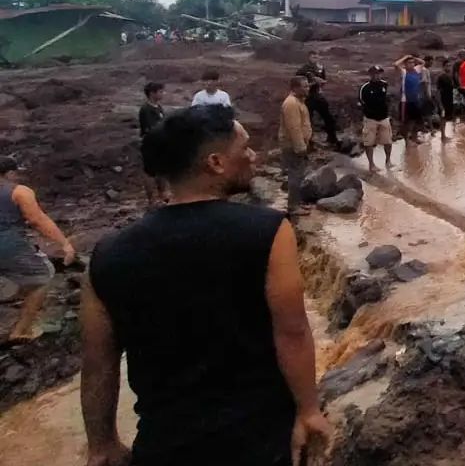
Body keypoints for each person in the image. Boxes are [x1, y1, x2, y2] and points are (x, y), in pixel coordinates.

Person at [83, 105, 333, 466]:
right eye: (244, 148)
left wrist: (101, 443)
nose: (253, 156)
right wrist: (308, 410)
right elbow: (291, 332)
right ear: (215, 163)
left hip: (164, 442)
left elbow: (97, 363)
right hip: (259, 436)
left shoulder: (107, 254)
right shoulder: (268, 231)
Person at [0, 156, 76, 343]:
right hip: (7, 244)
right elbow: (37, 220)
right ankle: (21, 330)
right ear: (10, 173)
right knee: (42, 278)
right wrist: (64, 243)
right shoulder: (19, 192)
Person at [279, 76, 312, 218]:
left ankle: (297, 202)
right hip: (293, 146)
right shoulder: (291, 104)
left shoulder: (298, 101)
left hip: (297, 144)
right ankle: (293, 206)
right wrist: (300, 147)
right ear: (295, 88)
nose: (307, 88)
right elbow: (294, 128)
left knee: (299, 174)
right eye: (304, 86)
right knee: (295, 175)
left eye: (307, 86)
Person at [296, 51, 339, 147]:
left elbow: (324, 81)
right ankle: (308, 142)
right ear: (309, 57)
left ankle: (332, 139)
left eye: (316, 57)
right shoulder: (303, 70)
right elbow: (298, 84)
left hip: (318, 95)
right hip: (308, 97)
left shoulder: (320, 68)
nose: (315, 59)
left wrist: (321, 83)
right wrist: (313, 83)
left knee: (328, 117)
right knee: (308, 120)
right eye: (313, 57)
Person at [138, 82, 169, 205]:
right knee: (150, 172)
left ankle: (163, 195)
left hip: (160, 143)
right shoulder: (146, 109)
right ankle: (151, 199)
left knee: (161, 170)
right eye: (160, 91)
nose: (163, 94)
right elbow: (150, 128)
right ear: (152, 93)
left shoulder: (158, 107)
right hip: (150, 144)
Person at [359, 66, 393, 173]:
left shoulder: (385, 84)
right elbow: (361, 102)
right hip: (370, 119)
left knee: (388, 141)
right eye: (374, 73)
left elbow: (388, 99)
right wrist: (368, 113)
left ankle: (388, 161)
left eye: (379, 73)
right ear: (370, 74)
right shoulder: (365, 87)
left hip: (384, 117)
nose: (377, 75)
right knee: (369, 142)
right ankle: (371, 164)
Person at [394, 55, 426, 143]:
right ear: (405, 64)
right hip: (405, 101)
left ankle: (414, 138)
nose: (411, 64)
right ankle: (406, 141)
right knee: (406, 122)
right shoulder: (404, 72)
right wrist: (405, 57)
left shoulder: (417, 70)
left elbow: (423, 62)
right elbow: (396, 64)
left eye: (412, 63)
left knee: (416, 121)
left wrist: (414, 58)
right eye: (409, 63)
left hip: (416, 100)